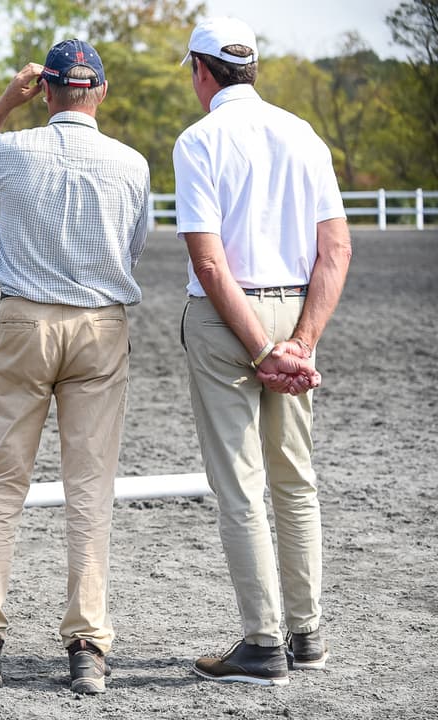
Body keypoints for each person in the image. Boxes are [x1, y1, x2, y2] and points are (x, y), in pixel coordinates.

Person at [0, 39, 150, 695]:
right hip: (101, 325)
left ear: (47, 92)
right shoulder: (131, 163)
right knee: (90, 489)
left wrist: (4, 103)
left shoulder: (13, 148)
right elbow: (134, 246)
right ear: (101, 92)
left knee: (0, 486)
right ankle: (87, 644)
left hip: (24, 322)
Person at [172, 17, 352, 686]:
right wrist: (300, 342)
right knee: (295, 479)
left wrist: (261, 349)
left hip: (229, 322)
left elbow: (210, 263)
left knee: (240, 484)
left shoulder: (198, 141)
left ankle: (263, 643)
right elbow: (336, 248)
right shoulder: (304, 134)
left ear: (202, 70)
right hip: (297, 310)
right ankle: (308, 635)